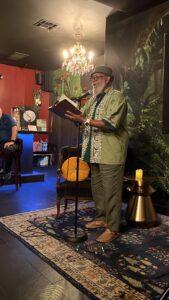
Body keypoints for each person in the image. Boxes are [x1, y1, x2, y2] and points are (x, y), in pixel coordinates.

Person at [65, 66, 128, 243]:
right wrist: (73, 116)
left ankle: (113, 228)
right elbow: (82, 117)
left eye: (98, 77)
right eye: (92, 77)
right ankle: (102, 218)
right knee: (98, 190)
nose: (94, 80)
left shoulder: (117, 97)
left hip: (110, 152)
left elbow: (111, 124)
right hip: (93, 151)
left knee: (111, 192)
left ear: (108, 79)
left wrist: (83, 120)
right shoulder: (93, 99)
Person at [0, 107, 18, 181]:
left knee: (8, 150)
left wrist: (12, 141)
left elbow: (14, 127)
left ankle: (7, 171)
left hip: (11, 141)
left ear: (1, 110)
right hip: (1, 143)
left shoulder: (7, 117)